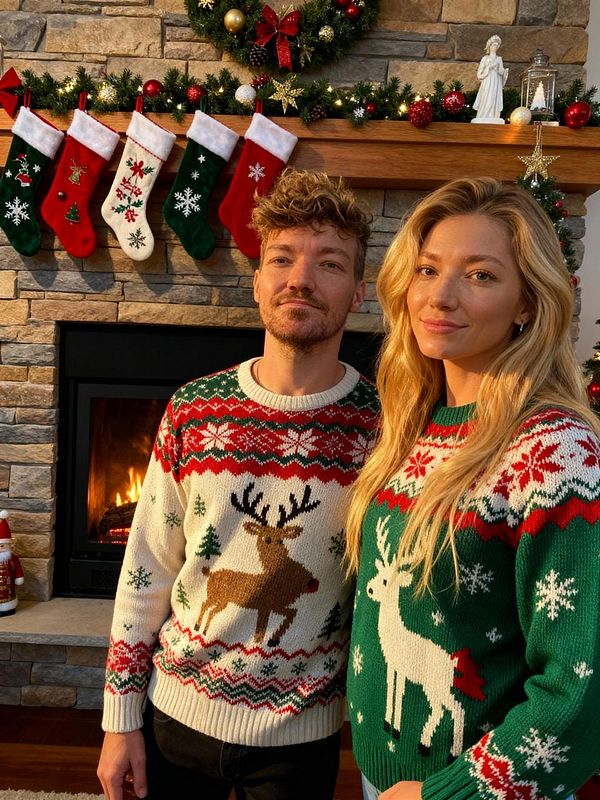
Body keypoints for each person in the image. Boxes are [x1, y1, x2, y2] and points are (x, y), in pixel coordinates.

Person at [97, 169, 380, 800]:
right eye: (282, 258)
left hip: (301, 740)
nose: (300, 279)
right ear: (257, 282)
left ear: (358, 291)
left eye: (329, 263)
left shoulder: (383, 430)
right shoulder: (194, 412)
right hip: (175, 718)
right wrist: (120, 721)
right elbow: (145, 567)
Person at [344, 177, 600, 800]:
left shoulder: (554, 453)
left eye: (480, 275)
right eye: (428, 270)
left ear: (527, 304)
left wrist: (449, 795)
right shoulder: (413, 425)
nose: (441, 296)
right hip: (388, 779)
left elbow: (581, 683)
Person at [472, 34, 508, 122]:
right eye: (494, 44)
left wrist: (501, 70)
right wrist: (489, 68)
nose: (495, 46)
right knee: (486, 97)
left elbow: (501, 72)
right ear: (490, 46)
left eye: (497, 45)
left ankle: (493, 115)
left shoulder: (499, 59)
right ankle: (483, 114)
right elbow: (479, 74)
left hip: (496, 82)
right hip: (487, 81)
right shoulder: (485, 58)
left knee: (494, 97)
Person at [0, 511, 24, 616]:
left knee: (8, 596)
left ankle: (7, 608)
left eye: (2, 546)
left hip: (9, 588)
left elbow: (17, 569)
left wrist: (19, 577)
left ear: (8, 545)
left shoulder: (12, 558)